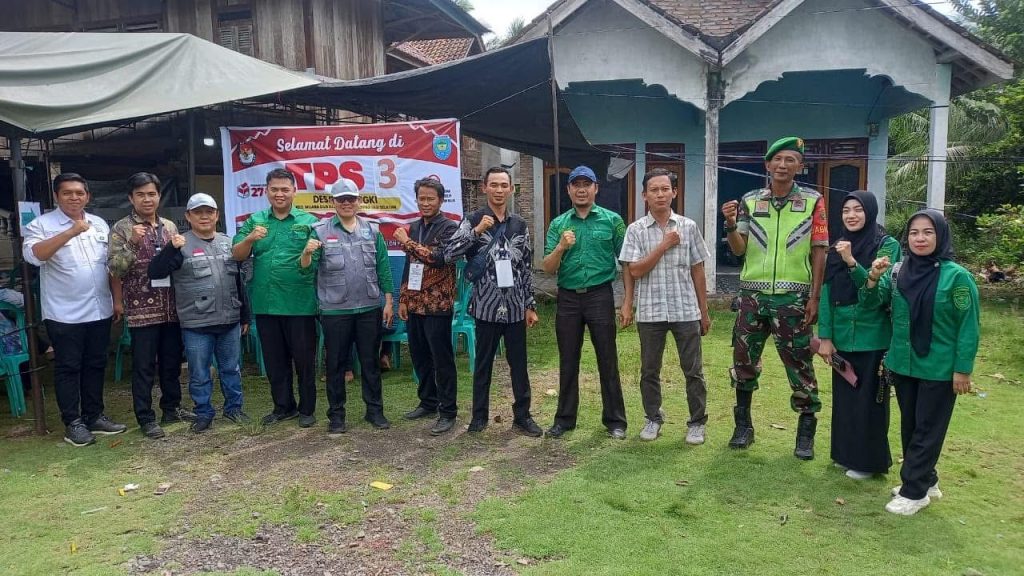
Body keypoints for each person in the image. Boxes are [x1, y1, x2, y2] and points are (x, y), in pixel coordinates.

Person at [863, 209, 979, 516]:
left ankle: (914, 492)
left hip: (939, 367)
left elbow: (968, 326)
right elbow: (872, 303)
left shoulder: (957, 277)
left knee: (928, 429)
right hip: (904, 363)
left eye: (928, 232)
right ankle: (927, 480)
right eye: (914, 232)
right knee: (911, 426)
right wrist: (873, 277)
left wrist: (962, 369)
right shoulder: (898, 272)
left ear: (940, 236)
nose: (920, 238)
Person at [721, 136, 828, 460]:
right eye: (777, 159)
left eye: (790, 160)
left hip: (793, 298)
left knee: (799, 362)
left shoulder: (813, 201)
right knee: (743, 360)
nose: (783, 165)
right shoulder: (751, 201)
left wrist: (814, 297)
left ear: (800, 166)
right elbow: (739, 249)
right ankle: (743, 427)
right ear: (767, 165)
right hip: (752, 295)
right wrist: (730, 225)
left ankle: (805, 434)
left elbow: (819, 250)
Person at [23, 173, 127, 446]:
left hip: (99, 308)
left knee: (96, 363)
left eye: (79, 193)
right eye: (67, 193)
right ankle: (73, 422)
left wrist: (117, 300)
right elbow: (35, 256)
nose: (74, 197)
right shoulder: (41, 225)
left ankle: (94, 415)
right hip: (64, 313)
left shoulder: (99, 224)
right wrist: (70, 231)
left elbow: (111, 265)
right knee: (68, 367)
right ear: (56, 196)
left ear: (88, 196)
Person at [446, 166, 542, 437]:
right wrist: (476, 231)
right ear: (484, 188)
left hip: (514, 307)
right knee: (483, 364)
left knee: (519, 366)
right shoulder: (473, 220)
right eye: (494, 185)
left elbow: (525, 267)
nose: (499, 190)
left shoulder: (519, 224)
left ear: (511, 189)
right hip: (485, 306)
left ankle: (523, 416)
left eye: (504, 185)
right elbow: (450, 253)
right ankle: (479, 417)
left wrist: (530, 305)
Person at [619, 168, 710, 444]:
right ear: (644, 195)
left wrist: (704, 312)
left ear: (675, 192)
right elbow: (635, 270)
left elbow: (698, 271)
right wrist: (663, 245)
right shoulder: (635, 230)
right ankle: (652, 418)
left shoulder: (688, 227)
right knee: (649, 370)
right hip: (651, 311)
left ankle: (697, 422)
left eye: (665, 189)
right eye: (654, 190)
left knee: (693, 370)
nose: (660, 194)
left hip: (685, 309)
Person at [149, 194, 251, 433]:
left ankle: (234, 408)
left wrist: (245, 315)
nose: (204, 216)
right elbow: (155, 272)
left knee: (231, 369)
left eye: (209, 212)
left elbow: (239, 282)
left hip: (229, 320)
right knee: (199, 372)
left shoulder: (229, 243)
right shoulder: (180, 245)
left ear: (217, 215)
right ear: (188, 216)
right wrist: (169, 249)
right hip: (196, 323)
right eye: (198, 212)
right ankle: (203, 412)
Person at [816, 191, 901, 478]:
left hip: (873, 335)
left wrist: (852, 262)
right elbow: (827, 292)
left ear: (870, 212)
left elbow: (877, 295)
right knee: (844, 400)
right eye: (846, 210)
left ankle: (868, 463)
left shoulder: (886, 245)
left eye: (858, 209)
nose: (851, 215)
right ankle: (845, 455)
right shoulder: (837, 246)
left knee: (870, 401)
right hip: (842, 334)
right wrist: (825, 337)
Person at [541, 165, 628, 440]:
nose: (581, 190)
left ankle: (615, 421)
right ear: (568, 190)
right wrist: (561, 247)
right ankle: (564, 420)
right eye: (576, 185)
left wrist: (627, 300)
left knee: (607, 358)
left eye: (586, 184)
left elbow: (627, 260)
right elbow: (548, 268)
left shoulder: (612, 221)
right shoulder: (558, 224)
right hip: (568, 298)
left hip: (600, 296)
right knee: (568, 360)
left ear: (595, 189)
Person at [303, 178, 394, 435]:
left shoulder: (372, 231)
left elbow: (383, 267)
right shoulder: (319, 231)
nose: (346, 203)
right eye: (341, 199)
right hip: (335, 310)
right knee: (336, 364)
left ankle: (375, 411)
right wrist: (306, 253)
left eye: (350, 198)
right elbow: (307, 270)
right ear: (333, 202)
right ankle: (336, 415)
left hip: (368, 308)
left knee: (370, 363)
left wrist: (388, 300)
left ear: (358, 201)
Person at [108, 172, 194, 439]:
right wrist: (133, 242)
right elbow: (115, 269)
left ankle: (172, 408)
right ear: (131, 198)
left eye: (152, 194)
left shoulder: (169, 227)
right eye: (141, 195)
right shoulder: (122, 228)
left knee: (171, 362)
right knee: (144, 366)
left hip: (171, 306)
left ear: (159, 196)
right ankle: (145, 417)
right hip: (141, 309)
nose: (147, 199)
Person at [232, 168, 319, 427]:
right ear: (266, 191)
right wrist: (250, 238)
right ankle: (283, 407)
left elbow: (317, 260)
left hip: (300, 303)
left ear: (294, 191)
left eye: (285, 189)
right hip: (266, 303)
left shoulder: (309, 221)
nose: (279, 194)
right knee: (274, 361)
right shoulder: (255, 220)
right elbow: (237, 255)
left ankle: (307, 409)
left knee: (304, 360)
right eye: (274, 189)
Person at [395, 177, 459, 436]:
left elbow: (439, 259)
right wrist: (403, 298)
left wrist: (407, 242)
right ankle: (428, 402)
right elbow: (410, 264)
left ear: (441, 200)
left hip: (437, 304)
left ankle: (448, 410)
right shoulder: (413, 227)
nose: (425, 203)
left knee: (441, 359)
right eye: (421, 198)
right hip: (415, 304)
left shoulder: (449, 228)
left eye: (430, 198)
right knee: (420, 356)